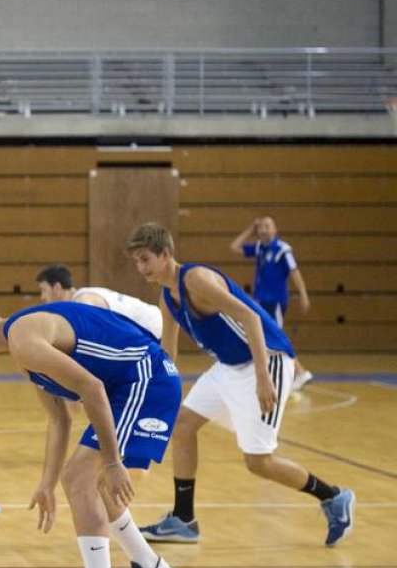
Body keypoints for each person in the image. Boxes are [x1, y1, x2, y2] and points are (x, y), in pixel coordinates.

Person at [0, 290, 181, 568]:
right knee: (88, 481)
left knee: (81, 477)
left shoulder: (23, 340)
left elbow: (92, 388)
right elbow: (59, 419)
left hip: (147, 378)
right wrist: (46, 484)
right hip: (127, 385)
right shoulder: (21, 348)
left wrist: (113, 461)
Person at [127, 222, 354, 547]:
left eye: (145, 259)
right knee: (184, 424)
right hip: (229, 366)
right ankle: (183, 519)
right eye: (136, 261)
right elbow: (170, 352)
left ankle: (333, 497)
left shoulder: (197, 280)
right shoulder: (168, 297)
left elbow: (249, 317)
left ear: (165, 254)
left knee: (258, 462)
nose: (141, 268)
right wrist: (153, 388)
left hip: (268, 359)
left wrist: (263, 376)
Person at [230, 216, 315, 390]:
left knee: (276, 337)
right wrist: (249, 229)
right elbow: (234, 247)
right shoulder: (260, 248)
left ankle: (300, 372)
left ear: (275, 230)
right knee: (262, 337)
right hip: (259, 301)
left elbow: (295, 272)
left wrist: (303, 294)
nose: (263, 229)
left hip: (275, 302)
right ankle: (275, 374)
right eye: (260, 227)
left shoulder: (283, 250)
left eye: (267, 226)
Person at [36, 264, 163, 339]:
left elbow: (91, 336)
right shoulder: (83, 296)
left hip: (149, 326)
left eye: (44, 290)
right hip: (150, 322)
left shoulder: (83, 300)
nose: (42, 297)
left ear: (57, 288)